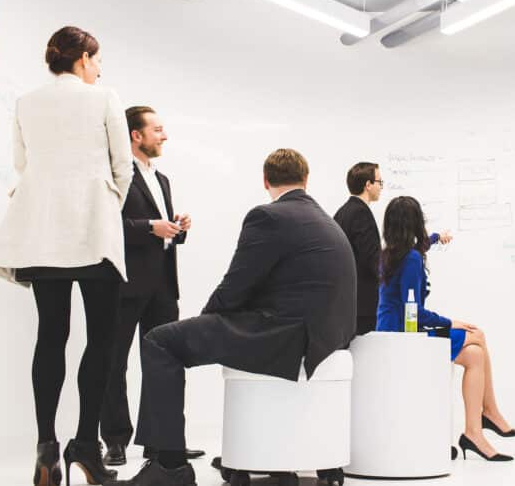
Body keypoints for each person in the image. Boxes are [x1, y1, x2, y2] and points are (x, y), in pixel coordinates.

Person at [109, 149, 357, 486]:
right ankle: (231, 453)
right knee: (178, 337)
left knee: (161, 341)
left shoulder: (268, 216)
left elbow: (236, 286)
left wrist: (204, 323)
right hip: (326, 337)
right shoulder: (324, 219)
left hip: (286, 335)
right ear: (306, 179)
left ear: (266, 181)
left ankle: (169, 466)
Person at [0, 26, 132, 486]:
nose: (99, 68)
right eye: (97, 59)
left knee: (51, 336)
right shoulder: (104, 97)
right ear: (84, 58)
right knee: (102, 339)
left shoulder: (26, 102)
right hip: (93, 231)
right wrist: (106, 206)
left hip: (43, 231)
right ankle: (87, 448)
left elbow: (23, 164)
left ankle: (46, 450)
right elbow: (123, 167)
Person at [376, 196, 515, 462]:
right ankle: (489, 413)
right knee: (477, 335)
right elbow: (413, 313)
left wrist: (435, 238)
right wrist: (449, 322)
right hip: (405, 338)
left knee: (475, 355)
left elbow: (419, 250)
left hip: (390, 334)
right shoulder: (411, 259)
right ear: (415, 223)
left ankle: (475, 432)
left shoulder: (391, 254)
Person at [99, 106, 203, 466]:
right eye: (157, 129)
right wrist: (149, 227)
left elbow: (162, 231)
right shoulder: (116, 174)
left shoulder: (162, 179)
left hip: (163, 285)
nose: (164, 136)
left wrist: (177, 227)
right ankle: (115, 441)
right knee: (114, 363)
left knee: (166, 362)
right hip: (124, 284)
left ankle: (163, 443)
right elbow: (107, 225)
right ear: (136, 135)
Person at [334, 162, 383, 335]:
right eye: (379, 182)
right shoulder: (361, 213)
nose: (381, 187)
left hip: (346, 302)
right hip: (362, 305)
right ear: (368, 185)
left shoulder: (342, 212)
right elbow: (372, 260)